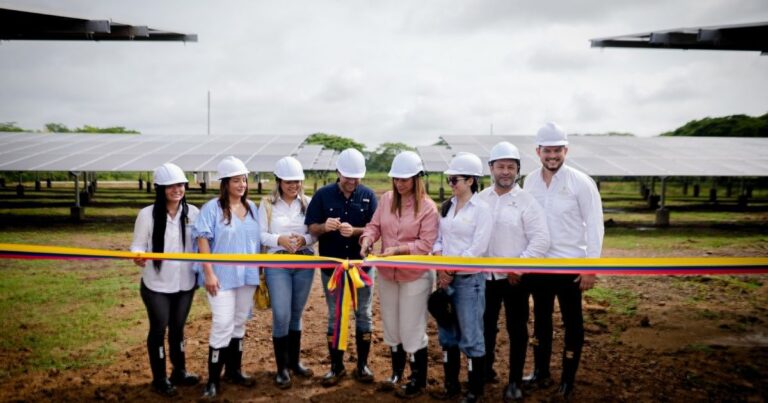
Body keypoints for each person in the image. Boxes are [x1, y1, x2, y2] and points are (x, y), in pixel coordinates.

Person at [523, 122, 604, 400]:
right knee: (541, 321)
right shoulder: (530, 181)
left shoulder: (581, 182)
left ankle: (568, 380)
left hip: (570, 266)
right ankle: (540, 372)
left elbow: (594, 226)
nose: (552, 156)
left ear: (566, 150)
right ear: (538, 151)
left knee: (573, 322)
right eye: (547, 150)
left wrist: (591, 267)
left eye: (558, 150)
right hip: (539, 267)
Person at [359, 151, 439, 399]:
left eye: (405, 179)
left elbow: (426, 244)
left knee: (412, 328)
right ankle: (396, 373)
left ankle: (417, 379)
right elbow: (374, 225)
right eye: (396, 178)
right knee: (392, 325)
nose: (399, 183)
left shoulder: (428, 207)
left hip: (414, 275)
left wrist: (399, 249)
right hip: (387, 273)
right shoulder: (386, 199)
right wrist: (367, 239)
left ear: (417, 178)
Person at [477, 142, 550, 402]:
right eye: (500, 166)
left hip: (515, 279)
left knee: (516, 329)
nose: (505, 172)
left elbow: (541, 239)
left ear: (517, 170)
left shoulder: (527, 202)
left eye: (511, 167)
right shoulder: (480, 200)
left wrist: (519, 266)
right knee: (484, 327)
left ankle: (515, 382)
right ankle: (485, 372)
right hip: (484, 277)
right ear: (491, 169)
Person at [305, 148, 378, 387]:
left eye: (357, 177)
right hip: (332, 267)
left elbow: (376, 228)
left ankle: (362, 365)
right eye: (348, 177)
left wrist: (356, 231)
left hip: (361, 267)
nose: (353, 182)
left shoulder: (368, 195)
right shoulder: (322, 195)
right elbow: (312, 228)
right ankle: (336, 367)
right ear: (338, 173)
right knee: (335, 315)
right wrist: (325, 227)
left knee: (364, 314)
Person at [193, 156, 261, 399]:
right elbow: (203, 239)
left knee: (239, 321)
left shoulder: (252, 208)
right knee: (222, 323)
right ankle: (212, 380)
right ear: (225, 183)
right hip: (220, 276)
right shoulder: (212, 208)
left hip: (248, 275)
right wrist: (208, 273)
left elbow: (258, 240)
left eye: (244, 179)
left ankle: (235, 371)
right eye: (236, 180)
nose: (242, 184)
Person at [130, 163, 200, 397]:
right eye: (171, 186)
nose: (177, 190)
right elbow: (138, 245)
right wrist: (138, 255)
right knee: (159, 328)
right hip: (156, 284)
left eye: (180, 185)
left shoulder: (194, 213)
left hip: (185, 283)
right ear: (160, 189)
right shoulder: (147, 214)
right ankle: (159, 378)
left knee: (178, 329)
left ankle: (179, 371)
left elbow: (202, 245)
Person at [431, 152, 493, 403]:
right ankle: (451, 383)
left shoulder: (482, 210)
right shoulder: (447, 207)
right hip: (446, 278)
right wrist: (440, 265)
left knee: (470, 334)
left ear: (470, 181)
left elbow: (478, 247)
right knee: (447, 333)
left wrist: (450, 270)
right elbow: (438, 239)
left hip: (469, 280)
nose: (451, 185)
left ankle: (475, 388)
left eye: (455, 180)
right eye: (449, 180)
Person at [258, 156, 316, 389]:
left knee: (296, 312)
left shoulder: (309, 203)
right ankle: (281, 368)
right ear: (279, 181)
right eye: (289, 181)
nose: (294, 185)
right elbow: (261, 235)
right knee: (281, 314)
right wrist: (279, 239)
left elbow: (315, 233)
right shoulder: (267, 205)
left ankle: (295, 363)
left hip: (304, 263)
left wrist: (305, 239)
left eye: (298, 181)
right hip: (278, 263)